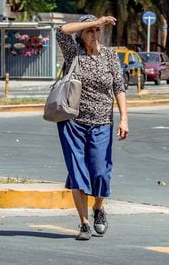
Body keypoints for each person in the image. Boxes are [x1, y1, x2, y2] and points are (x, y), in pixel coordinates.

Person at [55, 14, 129, 240]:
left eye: (98, 31)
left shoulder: (109, 56)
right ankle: (84, 222)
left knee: (100, 173)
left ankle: (98, 208)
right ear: (82, 34)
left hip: (102, 122)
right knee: (78, 171)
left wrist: (124, 117)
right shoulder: (73, 52)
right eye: (90, 31)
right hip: (72, 121)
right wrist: (93, 21)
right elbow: (61, 30)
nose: (95, 35)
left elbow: (119, 87)